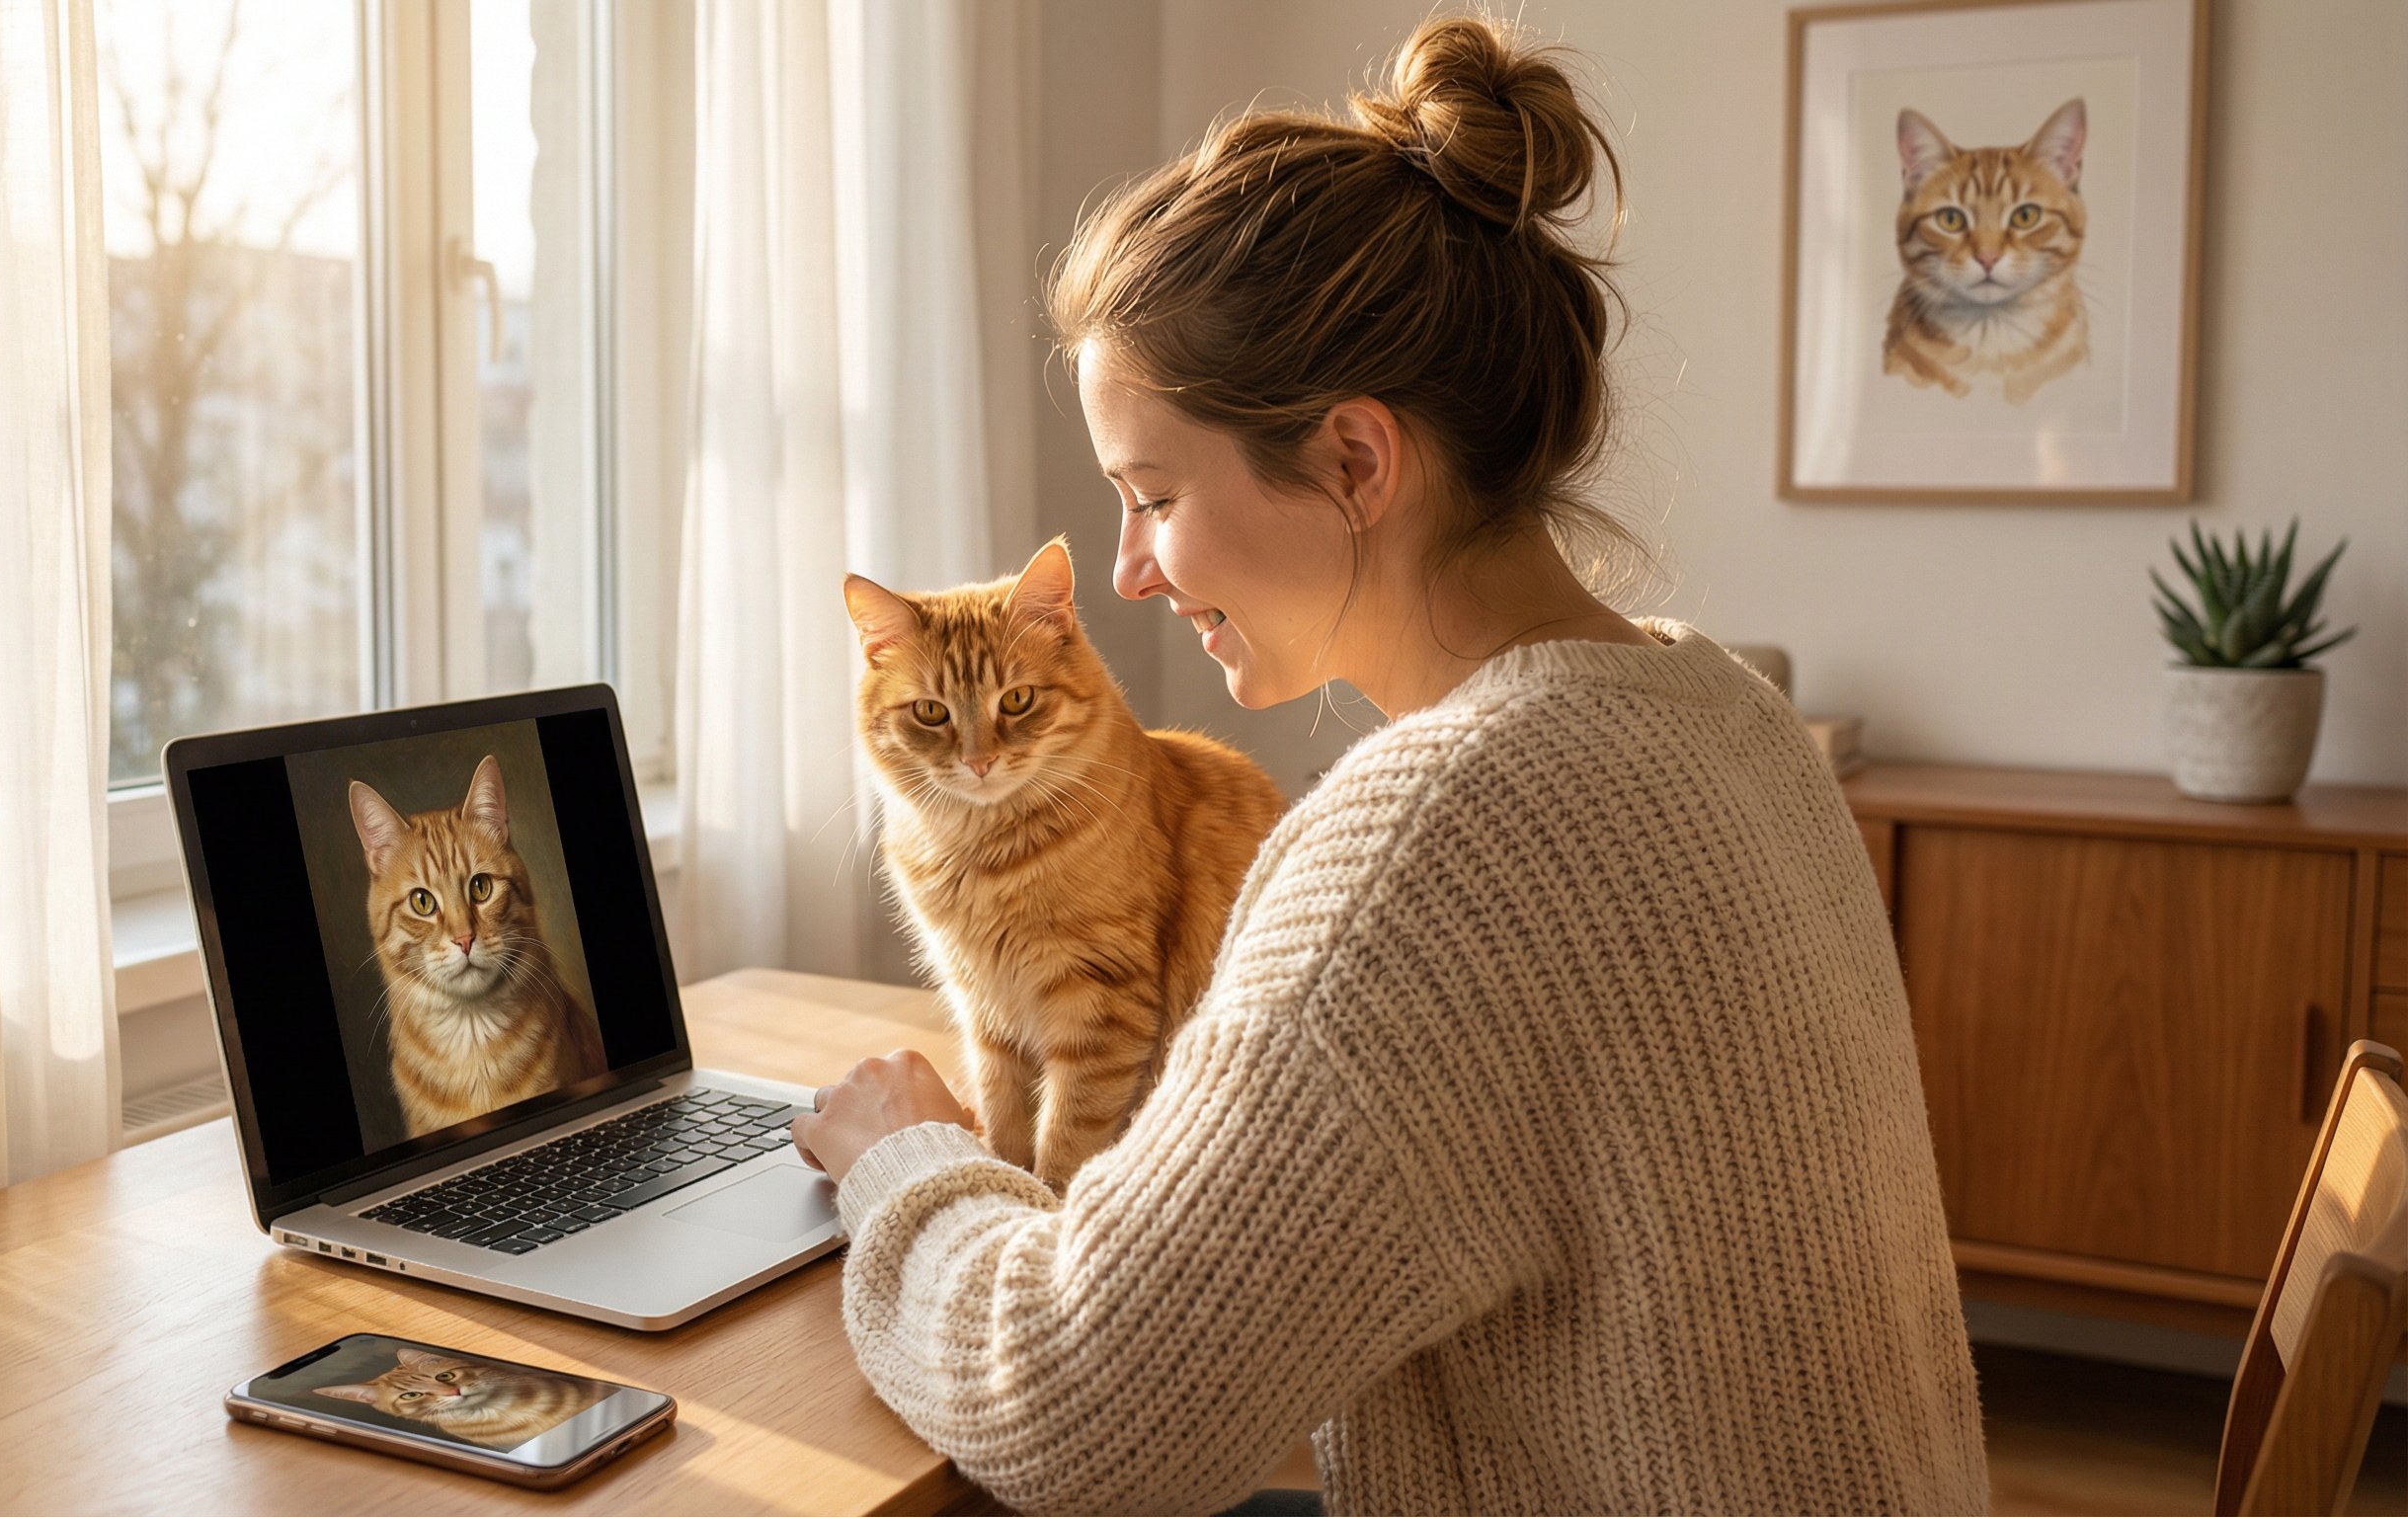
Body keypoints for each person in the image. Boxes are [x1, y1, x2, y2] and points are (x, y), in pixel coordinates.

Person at [787, 14, 1988, 1516]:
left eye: (1152, 496)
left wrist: (907, 1162)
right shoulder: (1727, 711)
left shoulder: (1433, 842)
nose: (1132, 571)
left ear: (1356, 462)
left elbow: (1081, 1421)